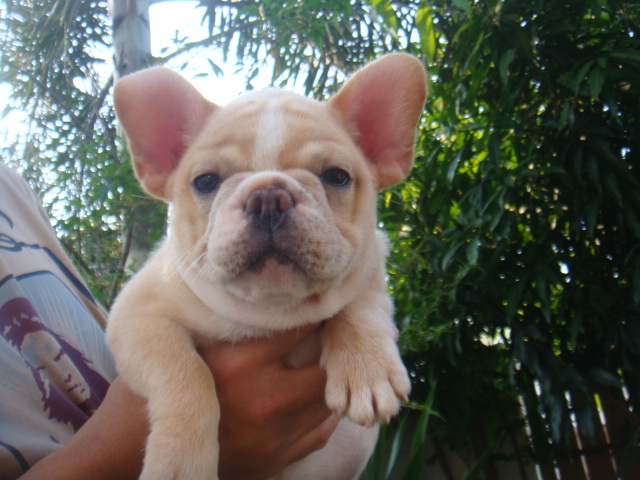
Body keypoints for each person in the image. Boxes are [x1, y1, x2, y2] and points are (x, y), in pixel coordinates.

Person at [0, 162, 338, 479]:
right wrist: (157, 438)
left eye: (333, 177)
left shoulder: (11, 187)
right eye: (208, 182)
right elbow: (135, 317)